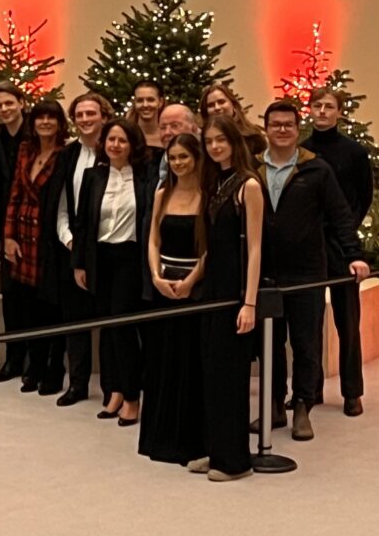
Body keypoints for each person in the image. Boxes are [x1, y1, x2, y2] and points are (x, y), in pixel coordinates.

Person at [256, 100, 365, 441]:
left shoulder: (316, 169)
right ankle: (274, 405)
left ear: (296, 127)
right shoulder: (252, 169)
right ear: (266, 129)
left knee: (306, 343)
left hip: (307, 272)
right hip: (266, 273)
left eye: (288, 124)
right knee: (270, 344)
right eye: (276, 124)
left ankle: (303, 405)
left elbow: (341, 215)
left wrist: (354, 254)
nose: (282, 130)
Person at [189, 116, 263, 481]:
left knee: (231, 376)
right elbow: (211, 246)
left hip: (235, 294)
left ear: (234, 141)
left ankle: (235, 461)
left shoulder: (249, 185)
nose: (215, 146)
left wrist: (249, 302)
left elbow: (256, 248)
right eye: (209, 141)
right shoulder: (215, 182)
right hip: (212, 290)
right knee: (211, 373)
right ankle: (216, 448)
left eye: (221, 140)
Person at [72, 118, 153, 426]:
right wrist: (79, 263)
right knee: (106, 327)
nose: (115, 145)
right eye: (111, 140)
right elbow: (82, 223)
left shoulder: (144, 176)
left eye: (122, 140)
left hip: (130, 259)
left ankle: (132, 396)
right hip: (100, 258)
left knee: (122, 327)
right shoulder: (94, 176)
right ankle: (114, 390)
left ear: (132, 145)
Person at [301, 87, 374, 416]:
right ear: (310, 109)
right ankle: (311, 389)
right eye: (317, 105)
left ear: (339, 112)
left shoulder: (354, 152)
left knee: (348, 321)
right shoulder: (302, 151)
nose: (322, 111)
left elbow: (364, 196)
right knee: (310, 320)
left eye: (329, 106)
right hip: (311, 245)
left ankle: (352, 392)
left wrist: (348, 233)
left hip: (343, 246)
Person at [138, 132, 206, 465]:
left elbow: (210, 247)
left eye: (184, 157)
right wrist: (155, 276)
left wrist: (191, 280)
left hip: (195, 289)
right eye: (173, 158)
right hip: (163, 286)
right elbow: (153, 240)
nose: (178, 163)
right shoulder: (162, 192)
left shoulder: (207, 194)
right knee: (162, 360)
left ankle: (188, 441)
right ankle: (160, 437)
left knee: (189, 362)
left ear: (196, 158)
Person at [51, 92, 114, 406]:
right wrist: (69, 240)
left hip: (108, 249)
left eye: (91, 113)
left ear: (104, 116)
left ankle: (113, 388)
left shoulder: (115, 149)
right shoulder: (68, 154)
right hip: (73, 248)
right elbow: (61, 204)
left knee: (110, 323)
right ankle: (77, 384)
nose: (85, 119)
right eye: (79, 115)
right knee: (75, 321)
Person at [2, 99, 69, 395]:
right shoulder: (25, 149)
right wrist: (9, 236)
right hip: (22, 235)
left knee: (51, 305)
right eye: (40, 117)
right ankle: (35, 365)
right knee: (28, 305)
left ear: (59, 122)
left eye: (51, 118)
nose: (45, 122)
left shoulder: (66, 153)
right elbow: (15, 194)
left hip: (49, 238)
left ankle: (54, 368)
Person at [0, 81, 31, 384]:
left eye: (9, 103)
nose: (4, 109)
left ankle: (36, 362)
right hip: (4, 226)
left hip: (32, 225)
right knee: (11, 296)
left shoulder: (36, 133)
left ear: (21, 103)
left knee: (35, 298)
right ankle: (14, 359)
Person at [200, 83, 265, 155]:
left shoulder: (253, 136)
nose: (217, 107)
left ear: (233, 105)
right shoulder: (203, 142)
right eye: (211, 105)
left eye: (221, 102)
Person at [154, 103, 200, 182]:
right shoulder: (154, 162)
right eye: (163, 127)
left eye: (174, 126)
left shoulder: (208, 162)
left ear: (194, 129)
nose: (167, 132)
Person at [130, 80, 166, 149]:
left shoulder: (167, 136)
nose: (145, 105)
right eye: (140, 100)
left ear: (160, 102)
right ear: (134, 102)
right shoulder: (126, 135)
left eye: (150, 100)